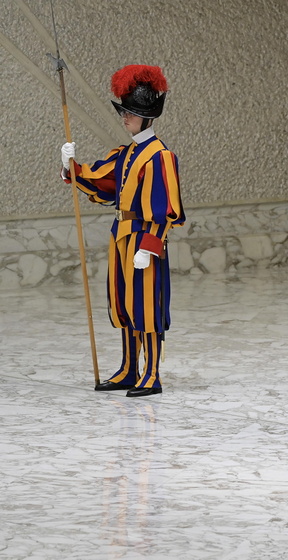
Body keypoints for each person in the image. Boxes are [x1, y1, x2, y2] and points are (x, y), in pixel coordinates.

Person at [60, 64, 185, 398]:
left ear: (146, 116)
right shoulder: (126, 153)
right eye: (124, 112)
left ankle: (152, 373)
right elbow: (102, 182)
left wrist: (149, 246)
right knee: (125, 304)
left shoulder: (160, 157)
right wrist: (70, 166)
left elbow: (167, 208)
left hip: (144, 239)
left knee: (147, 307)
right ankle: (130, 368)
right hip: (122, 237)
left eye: (130, 113)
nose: (124, 117)